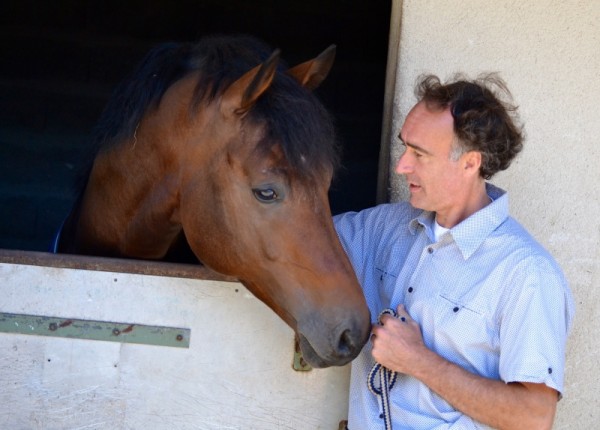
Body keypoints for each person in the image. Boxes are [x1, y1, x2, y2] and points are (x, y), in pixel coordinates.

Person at [334, 74, 574, 429]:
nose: (402, 165)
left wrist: (418, 360)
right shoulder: (383, 228)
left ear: (470, 163)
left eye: (420, 154)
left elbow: (534, 417)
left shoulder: (526, 273)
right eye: (405, 147)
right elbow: (295, 241)